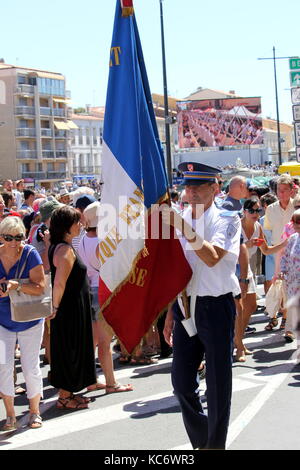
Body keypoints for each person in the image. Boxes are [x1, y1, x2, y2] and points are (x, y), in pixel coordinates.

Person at [163, 162, 241, 450]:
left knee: (218, 383)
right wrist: (172, 309)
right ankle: (203, 440)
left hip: (215, 305)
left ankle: (215, 445)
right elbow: (174, 267)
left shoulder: (227, 217)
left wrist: (183, 226)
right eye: (188, 186)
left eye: (198, 186)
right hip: (185, 305)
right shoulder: (182, 215)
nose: (191, 192)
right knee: (181, 383)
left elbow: (211, 257)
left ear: (215, 188)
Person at [78, 202, 133, 393]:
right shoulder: (102, 242)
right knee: (104, 342)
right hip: (102, 292)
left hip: (89, 289)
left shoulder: (83, 239)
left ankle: (91, 379)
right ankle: (111, 382)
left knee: (93, 341)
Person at [48, 206, 96, 410]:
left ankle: (70, 393)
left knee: (72, 349)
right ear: (67, 227)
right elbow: (59, 283)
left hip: (71, 307)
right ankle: (65, 397)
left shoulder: (59, 246)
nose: (81, 225)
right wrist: (55, 307)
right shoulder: (65, 250)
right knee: (70, 350)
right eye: (77, 222)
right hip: (69, 309)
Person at [0, 216, 45, 430]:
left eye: (18, 237)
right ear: (1, 237)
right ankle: (10, 415)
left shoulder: (30, 254)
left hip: (30, 320)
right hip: (2, 322)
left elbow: (40, 288)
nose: (14, 242)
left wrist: (16, 286)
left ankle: (34, 412)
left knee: (30, 366)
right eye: (9, 237)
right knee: (3, 367)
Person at [241, 197, 287, 335]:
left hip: (246, 269)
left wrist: (284, 244)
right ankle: (237, 342)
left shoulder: (258, 226)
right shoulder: (237, 225)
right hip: (233, 268)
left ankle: (238, 338)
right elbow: (227, 249)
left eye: (258, 210)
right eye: (252, 210)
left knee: (251, 305)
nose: (256, 213)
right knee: (239, 306)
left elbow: (266, 250)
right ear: (244, 211)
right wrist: (246, 245)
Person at [280, 209, 300, 342]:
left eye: (298, 222)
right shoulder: (292, 238)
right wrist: (282, 270)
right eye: (294, 222)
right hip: (293, 284)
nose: (295, 225)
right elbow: (285, 256)